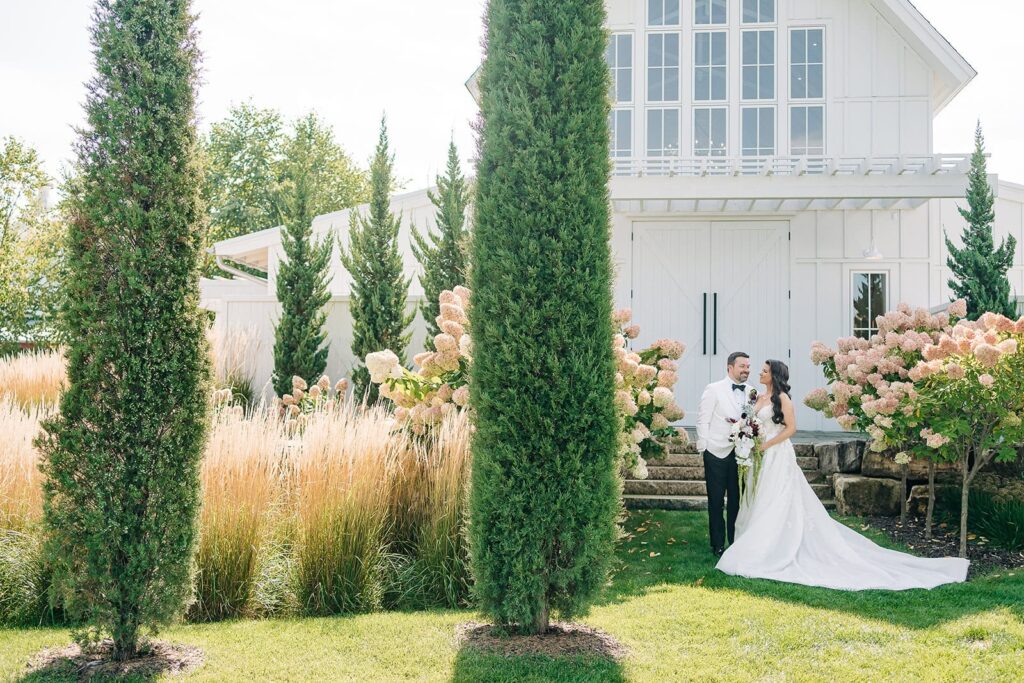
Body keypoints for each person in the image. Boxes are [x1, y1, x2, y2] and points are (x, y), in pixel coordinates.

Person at [716, 360, 969, 590]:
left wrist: (766, 445)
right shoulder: (757, 397)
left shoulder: (783, 399)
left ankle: (773, 546)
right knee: (757, 498)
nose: (760, 372)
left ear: (775, 375)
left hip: (776, 454)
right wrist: (747, 435)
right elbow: (752, 423)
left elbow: (791, 428)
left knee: (776, 499)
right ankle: (755, 544)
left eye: (764, 370)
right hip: (758, 456)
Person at [696, 352, 753, 557]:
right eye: (742, 366)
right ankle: (718, 544)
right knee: (716, 501)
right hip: (716, 452)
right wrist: (705, 447)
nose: (746, 370)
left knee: (738, 500)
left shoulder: (752, 391)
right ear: (730, 367)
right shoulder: (714, 389)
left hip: (741, 453)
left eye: (748, 366)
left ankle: (735, 541)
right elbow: (703, 419)